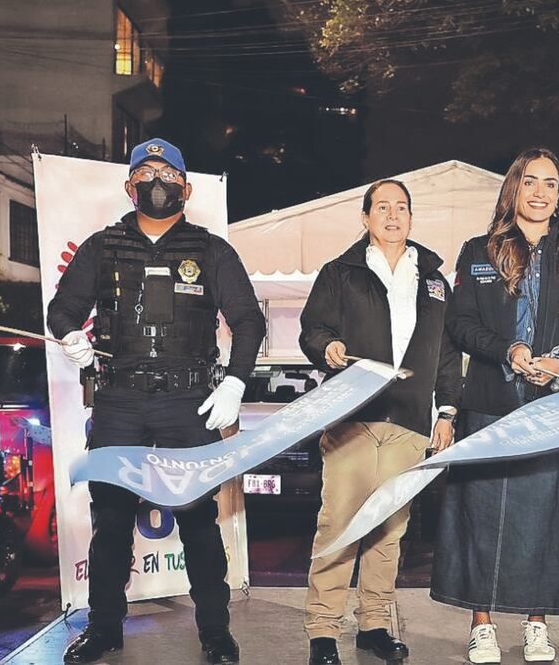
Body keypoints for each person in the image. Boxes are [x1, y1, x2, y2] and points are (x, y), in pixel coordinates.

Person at [48, 139, 265, 665]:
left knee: (196, 520)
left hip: (189, 403)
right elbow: (62, 309)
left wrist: (234, 383)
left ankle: (215, 632)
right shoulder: (103, 246)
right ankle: (104, 629)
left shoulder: (211, 251)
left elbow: (248, 321)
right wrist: (69, 335)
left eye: (167, 172)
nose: (157, 180)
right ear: (129, 186)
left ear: (187, 188)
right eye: (145, 171)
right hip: (119, 401)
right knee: (112, 522)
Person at [430, 147, 559, 664]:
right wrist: (508, 349)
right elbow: (459, 324)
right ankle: (481, 624)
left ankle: (536, 624)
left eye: (551, 184)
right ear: (514, 188)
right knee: (481, 515)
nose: (540, 192)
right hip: (489, 403)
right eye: (531, 181)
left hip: (551, 410)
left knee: (543, 522)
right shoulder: (477, 251)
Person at [298, 179, 461, 665]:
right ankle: (323, 631)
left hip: (410, 423)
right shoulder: (340, 273)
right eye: (383, 207)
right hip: (353, 418)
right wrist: (324, 347)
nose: (393, 215)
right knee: (339, 526)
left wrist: (447, 410)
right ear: (366, 218)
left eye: (402, 208)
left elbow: (447, 353)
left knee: (389, 530)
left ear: (411, 218)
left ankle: (373, 625)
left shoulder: (434, 280)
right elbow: (313, 328)